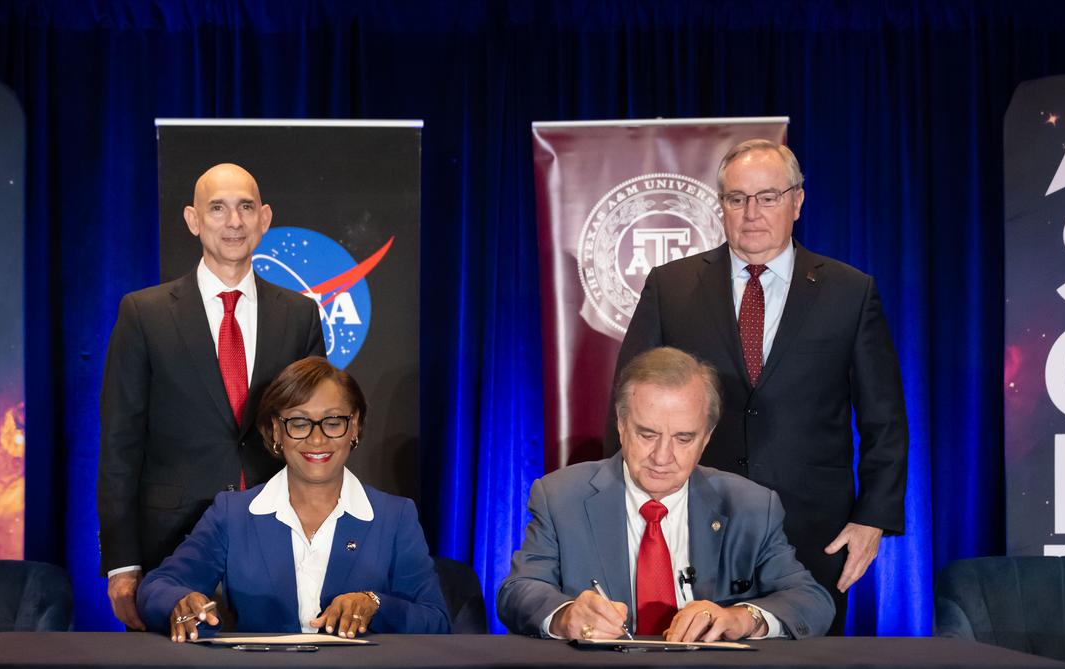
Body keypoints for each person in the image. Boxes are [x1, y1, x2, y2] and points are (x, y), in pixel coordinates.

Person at [610, 140, 907, 635]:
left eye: (768, 197)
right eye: (736, 198)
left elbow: (885, 420)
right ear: (721, 205)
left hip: (813, 532)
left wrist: (872, 518)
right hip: (693, 520)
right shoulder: (671, 287)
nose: (751, 213)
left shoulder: (850, 292)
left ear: (797, 201)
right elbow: (628, 402)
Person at [99, 163, 323, 630]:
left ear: (265, 218)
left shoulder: (299, 315)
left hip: (277, 542)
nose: (234, 222)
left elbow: (314, 434)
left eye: (245, 208)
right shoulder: (144, 313)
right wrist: (122, 563)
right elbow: (120, 444)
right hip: (170, 550)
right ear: (193, 220)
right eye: (217, 208)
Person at [500, 347, 833, 641]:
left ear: (707, 438)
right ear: (621, 424)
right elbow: (519, 591)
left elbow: (811, 601)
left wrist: (742, 618)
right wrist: (566, 615)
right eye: (647, 434)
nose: (662, 456)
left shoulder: (752, 507)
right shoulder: (561, 497)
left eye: (684, 438)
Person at [138, 357, 450, 639]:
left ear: (353, 426)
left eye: (332, 422)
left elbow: (435, 619)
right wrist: (179, 603)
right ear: (276, 430)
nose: (317, 439)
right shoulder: (232, 514)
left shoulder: (394, 517)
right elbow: (156, 587)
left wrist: (375, 604)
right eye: (299, 423)